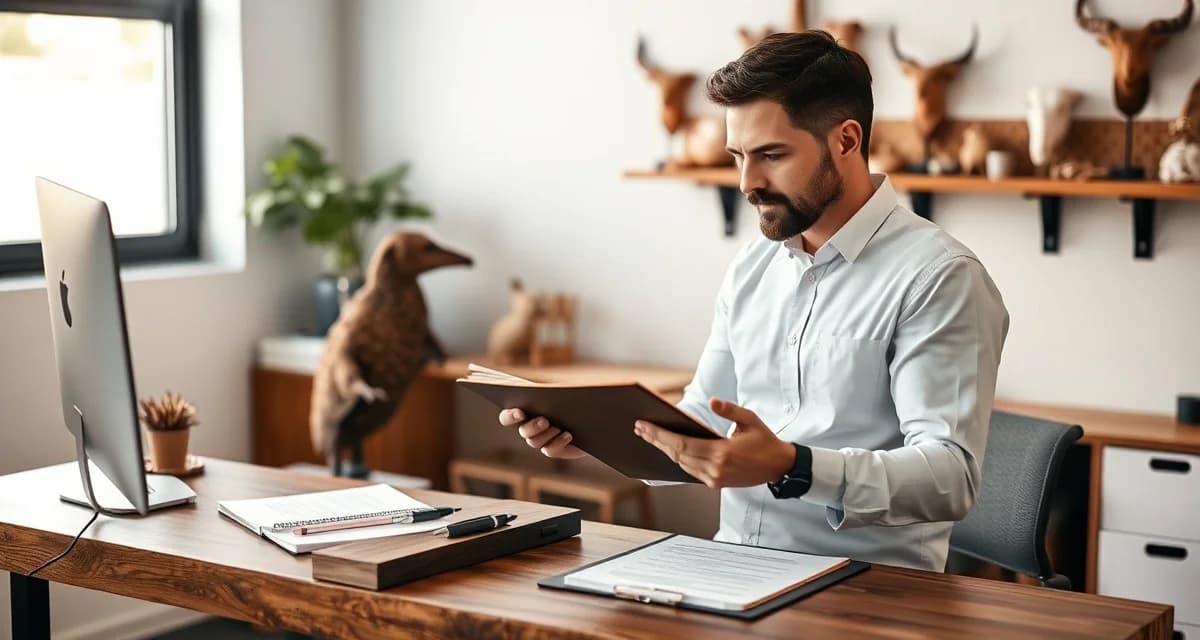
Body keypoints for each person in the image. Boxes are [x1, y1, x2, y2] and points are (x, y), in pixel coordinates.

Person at [497, 30, 1009, 571]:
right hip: (733, 569)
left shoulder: (940, 276)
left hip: (868, 589)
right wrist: (595, 437)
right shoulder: (753, 266)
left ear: (847, 140)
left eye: (771, 155)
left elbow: (951, 477)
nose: (747, 182)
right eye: (738, 155)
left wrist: (795, 466)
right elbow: (703, 419)